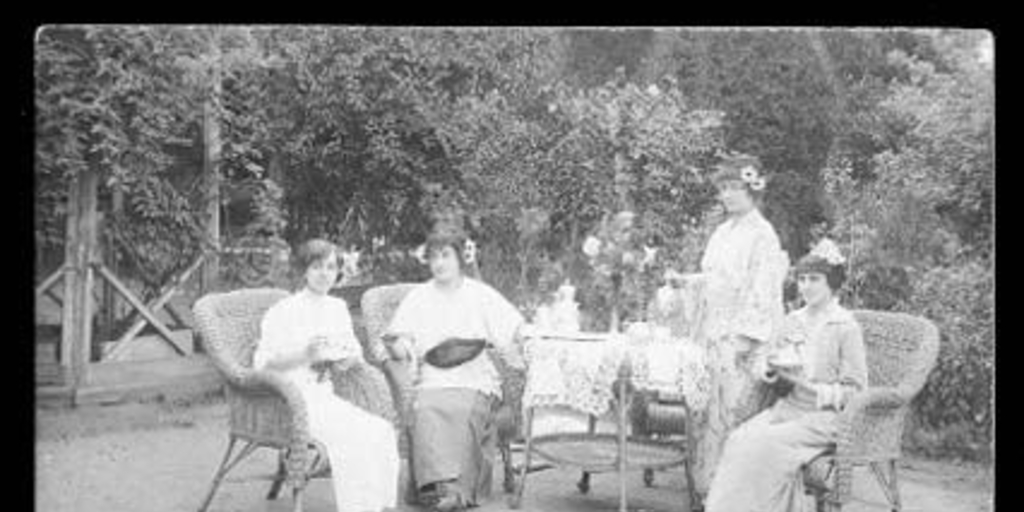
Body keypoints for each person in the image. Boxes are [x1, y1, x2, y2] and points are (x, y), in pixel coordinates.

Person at [703, 238, 869, 512]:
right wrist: (771, 370)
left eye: (814, 279)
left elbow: (857, 390)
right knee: (739, 439)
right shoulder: (793, 321)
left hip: (824, 417)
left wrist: (814, 388)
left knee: (765, 444)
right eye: (802, 279)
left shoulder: (845, 326)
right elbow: (770, 363)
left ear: (831, 282)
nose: (806, 286)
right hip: (787, 408)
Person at [668, 152, 790, 504]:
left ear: (753, 189)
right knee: (705, 413)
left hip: (742, 340)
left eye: (734, 187)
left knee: (732, 414)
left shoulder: (763, 235)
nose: (727, 195)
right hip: (713, 332)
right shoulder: (723, 232)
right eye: (723, 188)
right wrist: (686, 282)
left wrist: (744, 339)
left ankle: (732, 497)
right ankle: (705, 490)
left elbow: (763, 291)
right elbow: (713, 280)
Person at [383, 223, 525, 512]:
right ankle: (435, 489)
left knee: (462, 409)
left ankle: (458, 491)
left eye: (446, 255)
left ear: (460, 257)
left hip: (474, 376)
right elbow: (402, 339)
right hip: (432, 377)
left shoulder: (481, 294)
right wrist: (397, 348)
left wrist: (526, 339)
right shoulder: (419, 297)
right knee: (427, 409)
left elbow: (513, 328)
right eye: (434, 257)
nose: (439, 263)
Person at [253, 238, 400, 512]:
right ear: (303, 270)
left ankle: (378, 506)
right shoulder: (283, 311)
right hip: (290, 401)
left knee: (381, 430)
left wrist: (345, 361)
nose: (324, 274)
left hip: (325, 397)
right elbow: (263, 365)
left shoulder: (337, 308)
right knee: (353, 438)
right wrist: (305, 354)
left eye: (331, 267)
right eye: (317, 267)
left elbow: (354, 352)